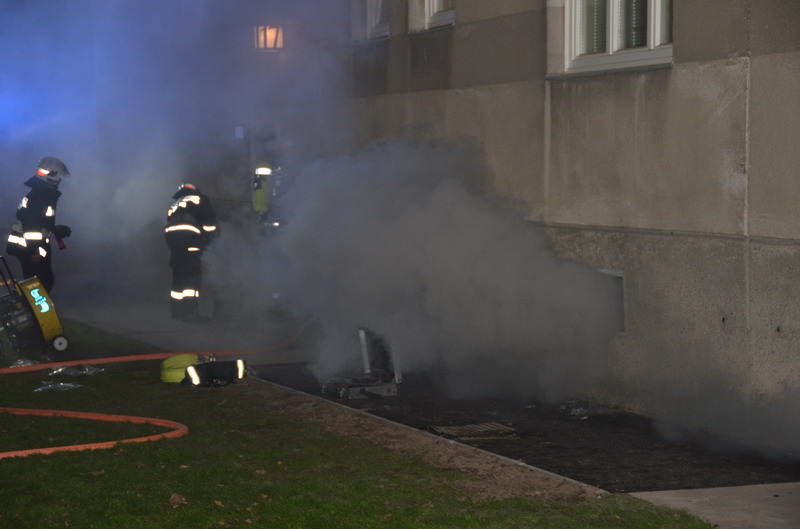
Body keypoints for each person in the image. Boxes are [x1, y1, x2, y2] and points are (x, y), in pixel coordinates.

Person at [6, 157, 72, 292]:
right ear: (52, 176)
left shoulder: (39, 193)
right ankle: (29, 304)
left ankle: (29, 303)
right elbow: (31, 226)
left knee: (38, 281)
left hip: (28, 245)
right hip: (29, 246)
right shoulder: (40, 196)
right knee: (39, 282)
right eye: (59, 177)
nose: (60, 181)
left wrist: (53, 229)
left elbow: (37, 220)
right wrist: (34, 251)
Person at [164, 183, 217, 321]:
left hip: (173, 241)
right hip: (190, 239)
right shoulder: (199, 198)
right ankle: (190, 314)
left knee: (178, 276)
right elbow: (209, 223)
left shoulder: (176, 204)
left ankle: (176, 313)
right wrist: (208, 238)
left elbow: (169, 222)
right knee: (191, 276)